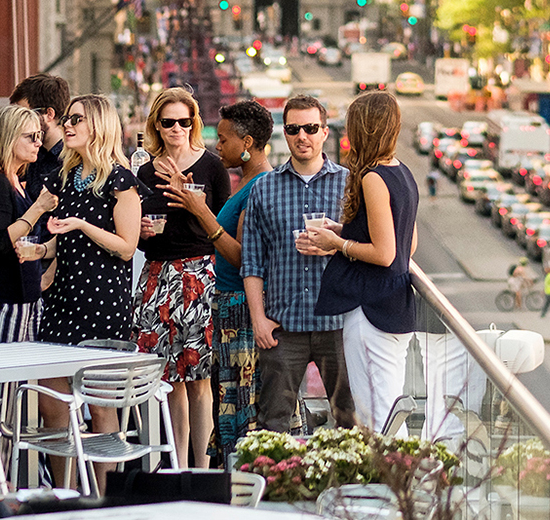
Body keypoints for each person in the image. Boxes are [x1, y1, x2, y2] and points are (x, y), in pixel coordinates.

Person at [36, 95, 140, 486]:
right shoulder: (62, 177)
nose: (67, 124)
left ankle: (103, 496)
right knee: (52, 403)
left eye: (76, 118)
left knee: (100, 406)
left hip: (101, 303)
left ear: (98, 125)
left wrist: (80, 224)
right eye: (66, 118)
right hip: (62, 298)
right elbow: (62, 243)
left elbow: (126, 246)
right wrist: (42, 253)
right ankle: (62, 492)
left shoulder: (119, 178)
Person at [302, 91, 419, 433]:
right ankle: (394, 475)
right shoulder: (403, 172)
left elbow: (385, 254)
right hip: (395, 304)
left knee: (373, 411)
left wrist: (338, 243)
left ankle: (384, 478)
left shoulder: (372, 177)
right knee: (389, 400)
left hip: (370, 308)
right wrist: (343, 230)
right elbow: (408, 244)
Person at [241, 94, 354, 432]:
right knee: (273, 420)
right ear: (284, 133)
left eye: (310, 128)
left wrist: (335, 246)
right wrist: (258, 320)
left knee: (350, 419)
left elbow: (367, 248)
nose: (302, 136)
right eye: (293, 129)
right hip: (283, 325)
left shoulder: (349, 184)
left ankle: (346, 485)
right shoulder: (264, 188)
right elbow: (252, 262)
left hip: (337, 322)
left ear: (324, 133)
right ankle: (274, 484)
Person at [132, 87, 231, 468]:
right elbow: (137, 234)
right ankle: (177, 465)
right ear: (157, 124)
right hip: (158, 275)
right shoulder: (143, 171)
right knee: (170, 380)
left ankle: (201, 469)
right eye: (168, 121)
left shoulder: (210, 167)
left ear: (194, 123)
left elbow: (223, 227)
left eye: (184, 121)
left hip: (199, 275)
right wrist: (141, 230)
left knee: (201, 380)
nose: (176, 128)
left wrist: (193, 202)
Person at [178, 99, 274, 464]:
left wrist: (202, 211)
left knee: (240, 404)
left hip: (242, 311)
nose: (217, 146)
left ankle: (241, 482)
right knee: (228, 397)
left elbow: (245, 257)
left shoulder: (261, 187)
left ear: (246, 143)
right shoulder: (247, 182)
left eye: (223, 138)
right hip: (229, 305)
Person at [0, 104, 59, 343]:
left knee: (22, 379)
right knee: (1, 380)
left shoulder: (15, 180)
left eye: (39, 136)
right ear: (8, 138)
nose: (38, 143)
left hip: (24, 298)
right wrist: (38, 207)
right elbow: (0, 242)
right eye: (31, 137)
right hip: (2, 301)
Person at [10, 74, 70, 199]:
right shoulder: (31, 153)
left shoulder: (70, 159)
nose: (19, 121)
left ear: (49, 114)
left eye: (26, 114)